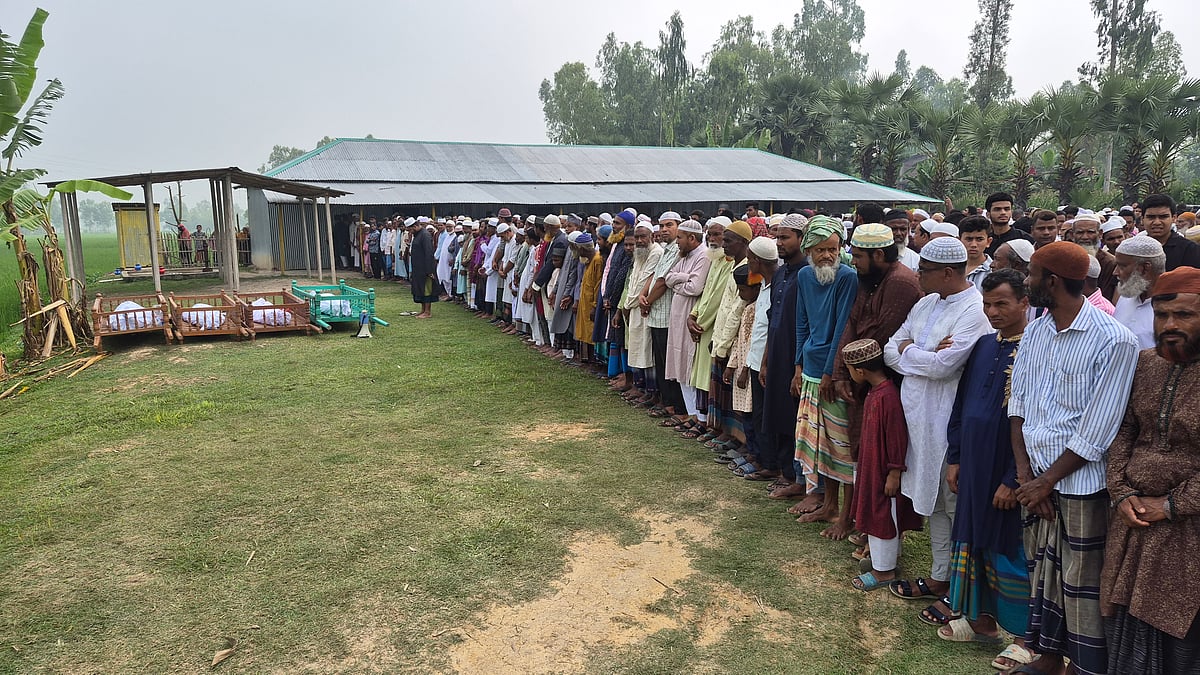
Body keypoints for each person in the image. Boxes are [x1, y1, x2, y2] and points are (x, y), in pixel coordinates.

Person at [1009, 241, 1139, 675]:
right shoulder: (1036, 329)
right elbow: (1018, 405)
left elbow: (1098, 429)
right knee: (1040, 575)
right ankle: (1048, 658)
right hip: (1037, 480)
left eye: (1031, 275)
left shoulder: (1114, 339)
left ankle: (1084, 668)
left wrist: (1047, 482)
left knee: (1080, 584)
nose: (1026, 282)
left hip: (1081, 484)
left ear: (1051, 281)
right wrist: (1029, 477)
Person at [884, 236, 991, 625]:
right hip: (918, 418)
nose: (917, 276)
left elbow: (944, 367)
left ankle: (959, 588)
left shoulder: (975, 310)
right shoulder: (925, 302)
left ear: (947, 272)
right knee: (935, 505)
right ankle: (940, 575)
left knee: (952, 503)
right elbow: (889, 350)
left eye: (924, 271)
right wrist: (920, 353)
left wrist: (913, 351)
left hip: (948, 420)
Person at [1102, 267, 1200, 674]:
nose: (1170, 325)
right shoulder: (1147, 363)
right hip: (1133, 522)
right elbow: (1126, 428)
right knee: (1128, 620)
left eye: (1184, 315)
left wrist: (1172, 505)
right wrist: (1121, 492)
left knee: (1180, 629)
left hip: (1188, 531)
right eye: (1162, 316)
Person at [939, 269, 1034, 671]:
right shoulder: (981, 345)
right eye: (987, 304)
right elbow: (961, 405)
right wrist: (957, 456)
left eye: (1002, 304)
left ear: (1024, 303)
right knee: (973, 536)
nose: (992, 311)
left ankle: (1028, 637)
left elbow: (1032, 418)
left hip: (1007, 467)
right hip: (974, 463)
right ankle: (981, 622)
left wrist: (1013, 478)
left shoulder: (1034, 347)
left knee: (1009, 547)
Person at [831, 222, 923, 516]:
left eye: (858, 256)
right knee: (863, 453)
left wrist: (853, 373)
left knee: (883, 459)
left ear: (879, 255)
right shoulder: (868, 278)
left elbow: (878, 338)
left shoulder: (900, 283)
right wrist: (840, 372)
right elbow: (853, 322)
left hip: (885, 383)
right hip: (863, 377)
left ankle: (881, 529)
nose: (853, 262)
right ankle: (866, 521)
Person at [790, 215, 859, 539]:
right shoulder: (804, 276)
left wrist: (833, 371)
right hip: (811, 372)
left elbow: (843, 328)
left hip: (833, 373)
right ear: (809, 250)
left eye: (833, 249)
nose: (827, 256)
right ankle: (828, 505)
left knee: (840, 445)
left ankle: (846, 514)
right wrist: (798, 366)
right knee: (820, 444)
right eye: (820, 250)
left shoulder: (847, 277)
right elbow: (802, 323)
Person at [844, 338, 922, 592]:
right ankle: (886, 559)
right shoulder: (877, 393)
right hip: (873, 467)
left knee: (882, 516)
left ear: (860, 371)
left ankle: (883, 572)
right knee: (881, 514)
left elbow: (896, 437)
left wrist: (894, 472)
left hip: (883, 471)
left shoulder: (888, 398)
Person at [760, 214, 809, 499]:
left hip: (795, 354)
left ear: (802, 239)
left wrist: (798, 365)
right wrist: (766, 360)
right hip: (776, 351)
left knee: (793, 416)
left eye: (785, 237)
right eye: (777, 237)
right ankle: (784, 472)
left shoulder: (806, 273)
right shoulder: (781, 272)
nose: (779, 243)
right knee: (777, 413)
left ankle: (797, 479)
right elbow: (772, 318)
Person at [663, 219, 712, 433]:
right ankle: (692, 414)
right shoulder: (683, 255)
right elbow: (667, 278)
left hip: (691, 314)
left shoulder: (703, 255)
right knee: (680, 363)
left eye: (680, 238)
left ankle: (699, 416)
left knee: (690, 364)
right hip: (678, 316)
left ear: (692, 238)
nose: (677, 243)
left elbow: (695, 287)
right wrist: (682, 278)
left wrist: (678, 281)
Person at [643, 212, 685, 422]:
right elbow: (654, 277)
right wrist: (644, 296)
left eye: (669, 225)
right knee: (660, 362)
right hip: (655, 314)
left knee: (669, 365)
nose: (664, 229)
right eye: (661, 226)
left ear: (679, 227)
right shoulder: (666, 250)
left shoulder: (678, 250)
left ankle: (674, 406)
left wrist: (647, 301)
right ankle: (666, 401)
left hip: (668, 314)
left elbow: (662, 282)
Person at [1113, 235, 1167, 350]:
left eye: (1122, 266)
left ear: (1145, 268)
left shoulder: (1172, 306)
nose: (1115, 272)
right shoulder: (1126, 296)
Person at [1139, 193, 1200, 271]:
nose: (1157, 222)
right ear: (1142, 219)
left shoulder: (1190, 250)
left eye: (1163, 217)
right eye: (1151, 217)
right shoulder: (1134, 249)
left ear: (1174, 218)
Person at [984, 192, 1032, 258]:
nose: (1003, 212)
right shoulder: (984, 240)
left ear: (1011, 212)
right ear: (988, 214)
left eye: (1007, 209)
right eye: (997, 209)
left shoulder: (1024, 238)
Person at [408, 218, 438, 318]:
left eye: (410, 230)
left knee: (426, 289)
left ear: (415, 226)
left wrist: (429, 270)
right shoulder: (417, 235)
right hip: (418, 268)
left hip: (425, 269)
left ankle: (427, 312)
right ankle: (423, 310)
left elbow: (429, 253)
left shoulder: (425, 235)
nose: (410, 232)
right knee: (420, 289)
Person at [959, 216, 993, 292]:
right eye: (969, 239)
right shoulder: (951, 268)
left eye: (979, 239)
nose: (973, 244)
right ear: (959, 240)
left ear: (988, 242)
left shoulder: (993, 271)